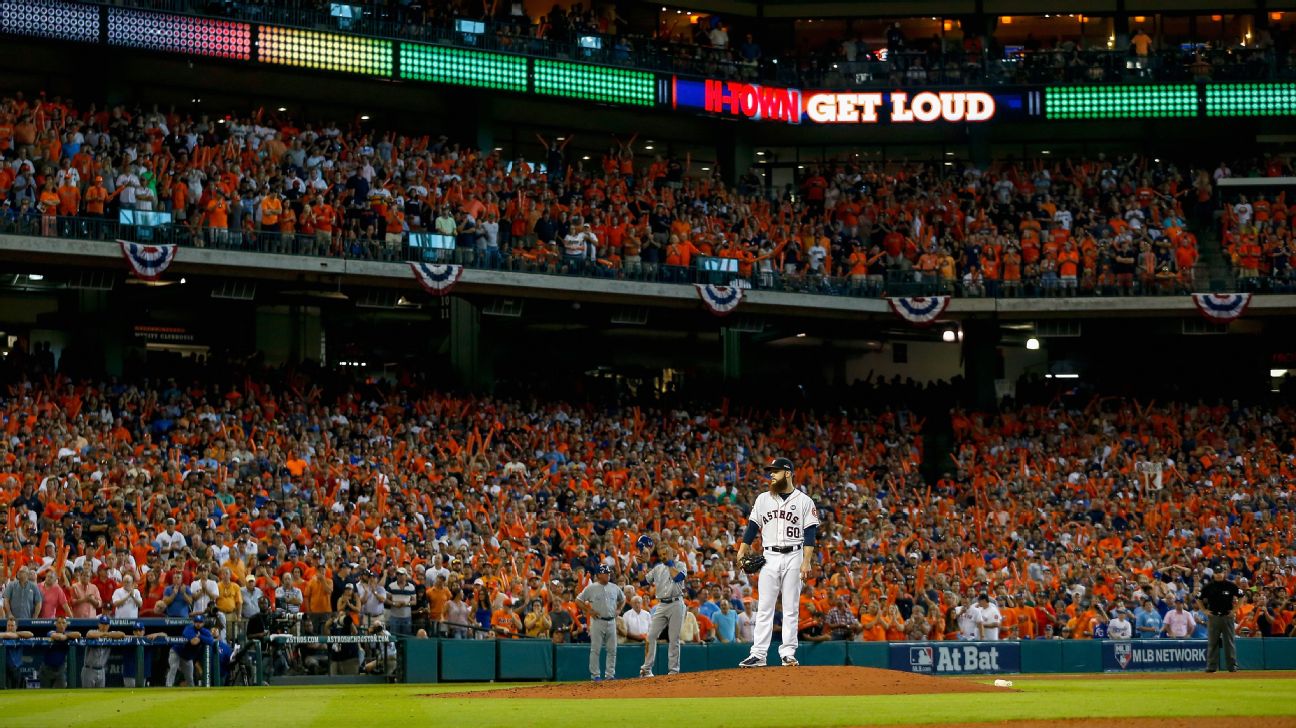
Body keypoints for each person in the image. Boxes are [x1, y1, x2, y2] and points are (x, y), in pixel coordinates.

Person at [737, 457, 820, 668]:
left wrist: (807, 561)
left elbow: (810, 533)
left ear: (788, 473)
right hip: (769, 556)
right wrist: (742, 551)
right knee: (764, 606)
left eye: (776, 471)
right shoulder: (763, 499)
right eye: (770, 471)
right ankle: (758, 654)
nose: (771, 475)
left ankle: (788, 653)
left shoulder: (804, 501)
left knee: (791, 607)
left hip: (795, 554)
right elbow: (752, 528)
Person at [638, 541, 688, 677]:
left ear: (672, 553)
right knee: (651, 636)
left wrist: (670, 562)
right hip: (662, 604)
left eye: (665, 554)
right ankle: (647, 669)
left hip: (676, 603)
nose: (663, 557)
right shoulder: (658, 568)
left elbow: (677, 577)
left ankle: (673, 671)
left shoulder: (680, 565)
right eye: (661, 555)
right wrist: (640, 564)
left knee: (674, 638)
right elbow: (642, 581)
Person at [577, 563, 624, 681]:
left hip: (611, 621)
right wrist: (589, 610)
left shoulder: (614, 587)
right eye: (605, 573)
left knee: (612, 649)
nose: (608, 575)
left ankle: (610, 675)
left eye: (608, 573)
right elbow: (578, 600)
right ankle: (595, 676)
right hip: (598, 621)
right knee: (595, 649)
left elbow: (622, 599)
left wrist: (619, 609)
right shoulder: (591, 588)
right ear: (598, 575)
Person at [1200, 569, 1243, 672]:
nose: (1218, 575)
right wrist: (1204, 610)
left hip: (1227, 616)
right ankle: (1211, 667)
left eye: (1220, 573)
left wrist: (1234, 610)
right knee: (1212, 642)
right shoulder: (1208, 586)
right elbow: (1198, 598)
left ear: (1224, 574)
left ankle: (1232, 666)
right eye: (1217, 573)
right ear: (1214, 574)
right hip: (1213, 617)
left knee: (1229, 642)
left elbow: (1241, 596)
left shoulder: (1230, 585)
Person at [168, 613, 214, 687]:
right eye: (196, 622)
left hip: (187, 657)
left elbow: (211, 641)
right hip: (177, 652)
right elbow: (194, 642)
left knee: (190, 678)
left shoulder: (204, 631)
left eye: (200, 622)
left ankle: (192, 691)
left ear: (203, 623)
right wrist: (202, 639)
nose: (198, 624)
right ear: (193, 622)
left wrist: (200, 637)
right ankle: (168, 687)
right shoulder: (189, 628)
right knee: (173, 668)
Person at [82, 615, 126, 688]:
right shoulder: (94, 632)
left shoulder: (111, 634)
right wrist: (105, 634)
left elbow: (122, 635)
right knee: (87, 694)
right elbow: (89, 634)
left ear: (109, 625)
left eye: (106, 624)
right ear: (99, 624)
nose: (104, 626)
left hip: (101, 670)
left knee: (100, 694)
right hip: (89, 669)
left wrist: (108, 635)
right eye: (102, 624)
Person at [39, 615, 80, 688]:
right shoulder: (51, 632)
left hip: (60, 669)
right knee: (44, 693)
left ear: (66, 625)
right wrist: (66, 636)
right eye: (59, 623)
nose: (61, 625)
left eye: (63, 623)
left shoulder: (68, 633)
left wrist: (66, 635)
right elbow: (58, 637)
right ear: (56, 624)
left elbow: (78, 634)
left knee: (61, 692)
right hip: (47, 669)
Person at [384, 568, 417, 635]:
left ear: (406, 576)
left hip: (406, 617)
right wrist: (394, 604)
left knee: (406, 637)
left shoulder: (411, 587)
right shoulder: (391, 586)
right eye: (398, 574)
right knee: (394, 637)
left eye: (401, 574)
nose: (399, 576)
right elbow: (386, 600)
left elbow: (414, 601)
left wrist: (406, 603)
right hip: (394, 616)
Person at [325, 610, 359, 675]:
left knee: (351, 681)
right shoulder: (334, 626)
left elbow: (355, 632)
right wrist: (327, 625)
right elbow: (327, 636)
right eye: (340, 615)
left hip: (350, 658)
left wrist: (348, 621)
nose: (341, 617)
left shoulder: (349, 624)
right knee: (334, 682)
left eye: (343, 615)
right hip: (335, 658)